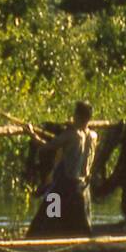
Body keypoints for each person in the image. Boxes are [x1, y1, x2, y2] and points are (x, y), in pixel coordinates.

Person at [27, 101, 98, 238]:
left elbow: (47, 147)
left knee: (46, 222)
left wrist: (31, 133)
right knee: (81, 229)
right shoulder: (93, 136)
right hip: (83, 190)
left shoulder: (71, 135)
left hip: (62, 189)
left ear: (77, 116)